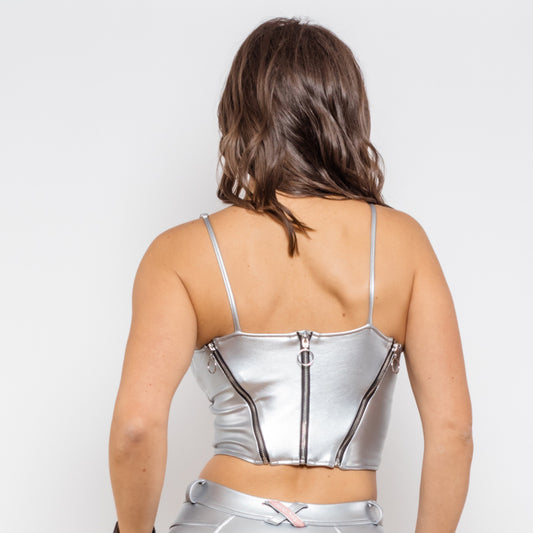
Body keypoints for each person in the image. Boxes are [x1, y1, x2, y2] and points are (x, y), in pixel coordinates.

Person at [109, 16, 473, 533]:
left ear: (240, 114)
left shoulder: (179, 253)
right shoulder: (404, 243)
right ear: (346, 114)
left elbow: (136, 429)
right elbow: (454, 432)